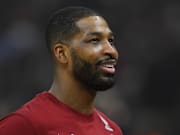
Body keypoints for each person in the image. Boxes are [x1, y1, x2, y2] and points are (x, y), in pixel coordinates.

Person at [0, 6, 123, 135]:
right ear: (62, 53)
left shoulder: (112, 130)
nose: (111, 51)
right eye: (94, 41)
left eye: (110, 41)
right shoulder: (25, 124)